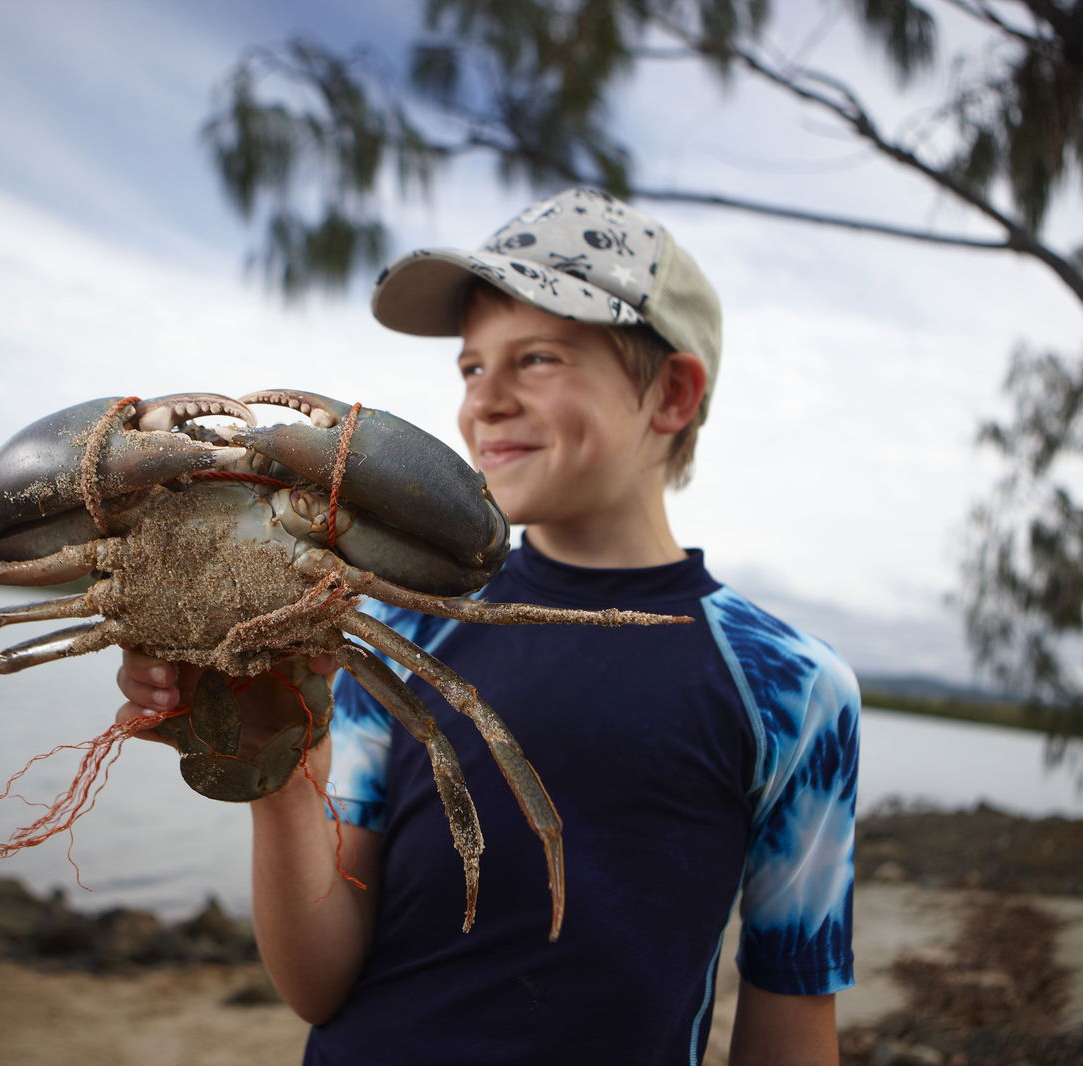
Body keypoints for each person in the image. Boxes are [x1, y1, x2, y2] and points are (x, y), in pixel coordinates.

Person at [116, 186, 860, 1064]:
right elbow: (318, 985)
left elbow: (791, 1009)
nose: (485, 401)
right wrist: (282, 778)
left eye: (537, 359)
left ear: (672, 394)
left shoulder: (788, 686)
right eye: (471, 368)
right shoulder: (385, 620)